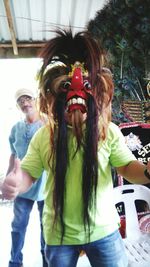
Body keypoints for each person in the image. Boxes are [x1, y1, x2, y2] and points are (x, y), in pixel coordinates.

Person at [1, 30, 150, 267]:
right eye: (66, 86)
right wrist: (17, 181)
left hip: (105, 231)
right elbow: (29, 171)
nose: (77, 91)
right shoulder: (44, 135)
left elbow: (125, 167)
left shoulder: (108, 131)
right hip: (58, 235)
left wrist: (146, 172)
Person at [5, 88, 48, 267]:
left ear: (35, 99)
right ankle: (15, 262)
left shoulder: (48, 124)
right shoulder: (16, 128)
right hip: (23, 185)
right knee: (18, 227)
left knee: (47, 228)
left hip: (46, 185)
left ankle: (48, 262)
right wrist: (8, 179)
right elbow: (14, 156)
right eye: (20, 101)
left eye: (27, 98)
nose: (24, 103)